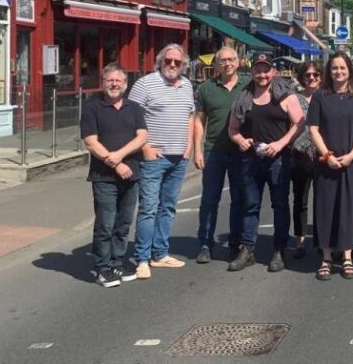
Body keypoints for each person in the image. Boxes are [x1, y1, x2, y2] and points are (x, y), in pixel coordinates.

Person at [226, 53, 304, 273]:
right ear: (252, 72)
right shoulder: (243, 96)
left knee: (279, 205)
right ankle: (248, 250)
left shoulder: (285, 95)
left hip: (278, 159)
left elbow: (299, 124)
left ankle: (279, 250)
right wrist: (240, 140)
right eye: (258, 70)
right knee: (250, 205)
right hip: (250, 159)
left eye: (266, 69)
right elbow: (232, 129)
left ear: (273, 72)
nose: (262, 74)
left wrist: (280, 144)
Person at [129, 44, 195, 280]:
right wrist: (145, 148)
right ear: (160, 62)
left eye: (178, 62)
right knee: (148, 209)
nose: (173, 65)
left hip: (179, 159)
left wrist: (188, 147)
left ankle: (160, 254)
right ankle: (143, 258)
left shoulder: (187, 85)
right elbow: (131, 118)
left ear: (183, 65)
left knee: (167, 207)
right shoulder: (146, 84)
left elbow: (190, 116)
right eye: (169, 61)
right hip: (154, 158)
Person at [81, 63, 148, 288]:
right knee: (105, 224)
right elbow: (91, 141)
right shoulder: (92, 108)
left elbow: (142, 137)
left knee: (123, 223)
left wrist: (119, 155)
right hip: (104, 177)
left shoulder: (134, 108)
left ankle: (117, 261)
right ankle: (102, 267)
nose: (114, 84)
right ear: (103, 83)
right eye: (110, 80)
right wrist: (116, 164)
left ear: (125, 85)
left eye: (119, 80)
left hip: (132, 175)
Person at [308, 53, 353, 280]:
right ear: (329, 71)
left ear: (350, 70)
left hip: (352, 162)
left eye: (342, 68)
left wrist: (352, 155)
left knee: (349, 207)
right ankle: (326, 256)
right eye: (334, 68)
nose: (338, 72)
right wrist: (326, 155)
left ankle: (346, 256)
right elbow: (313, 129)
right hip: (327, 162)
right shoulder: (319, 97)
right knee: (325, 208)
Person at [193, 47, 246, 265]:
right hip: (213, 150)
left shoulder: (248, 86)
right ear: (216, 64)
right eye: (223, 60)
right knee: (209, 200)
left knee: (239, 200)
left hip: (240, 153)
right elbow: (199, 121)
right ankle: (205, 245)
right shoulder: (206, 88)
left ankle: (235, 243)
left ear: (238, 62)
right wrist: (197, 150)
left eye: (231, 59)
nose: (227, 64)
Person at [289, 61, 323, 259]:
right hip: (299, 154)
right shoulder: (294, 98)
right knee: (300, 200)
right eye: (308, 75)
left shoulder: (327, 97)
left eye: (315, 74)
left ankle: (320, 239)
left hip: (321, 155)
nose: (311, 78)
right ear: (302, 77)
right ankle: (300, 239)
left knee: (322, 199)